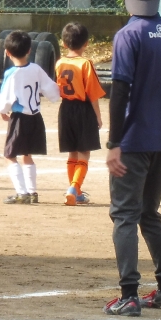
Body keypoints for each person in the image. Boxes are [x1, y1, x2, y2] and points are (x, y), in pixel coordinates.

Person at [104, 0, 161, 317]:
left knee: (124, 215)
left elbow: (120, 91)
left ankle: (128, 294)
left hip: (134, 140)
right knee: (149, 214)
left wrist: (114, 142)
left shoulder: (128, 35)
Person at [0, 30, 59, 204]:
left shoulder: (12, 74)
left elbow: (6, 96)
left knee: (10, 155)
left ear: (7, 53)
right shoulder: (36, 69)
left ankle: (21, 193)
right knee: (27, 154)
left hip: (19, 118)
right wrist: (56, 96)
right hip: (36, 117)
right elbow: (51, 89)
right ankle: (32, 192)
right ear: (29, 50)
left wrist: (2, 110)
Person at [55, 22, 104, 206]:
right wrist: (98, 116)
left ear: (64, 43)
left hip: (65, 109)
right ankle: (74, 188)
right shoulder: (86, 64)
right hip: (83, 109)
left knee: (72, 153)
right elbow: (92, 93)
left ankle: (77, 192)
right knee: (84, 153)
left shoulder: (60, 63)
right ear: (86, 43)